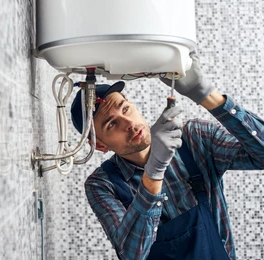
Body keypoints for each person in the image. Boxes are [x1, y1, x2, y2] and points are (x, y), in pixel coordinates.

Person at [70, 51, 264, 260]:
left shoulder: (194, 139)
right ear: (99, 145)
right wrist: (154, 171)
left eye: (125, 109)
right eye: (111, 124)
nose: (129, 124)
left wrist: (206, 94)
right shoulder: (102, 185)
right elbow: (132, 254)